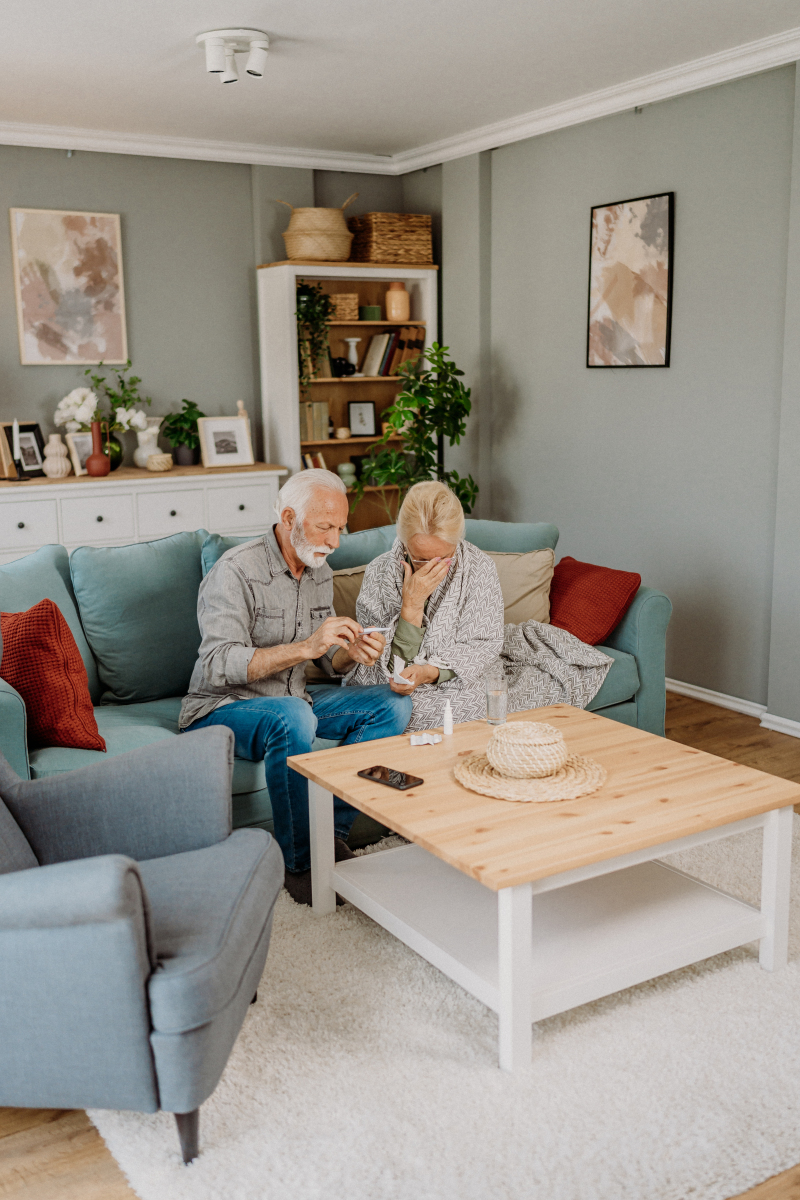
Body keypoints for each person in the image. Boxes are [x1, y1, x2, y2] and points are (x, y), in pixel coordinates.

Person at [180, 469, 412, 905]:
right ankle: (302, 862)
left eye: (340, 528)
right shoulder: (235, 571)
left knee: (392, 705)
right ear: (288, 517)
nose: (335, 541)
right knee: (293, 716)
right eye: (325, 527)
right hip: (223, 706)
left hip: (293, 698)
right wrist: (306, 645)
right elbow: (217, 663)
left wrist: (352, 651)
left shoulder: (318, 570)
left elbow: (325, 659)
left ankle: (333, 839)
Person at [350, 481, 504, 730]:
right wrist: (411, 605)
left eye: (443, 559)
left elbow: (484, 644)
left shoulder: (480, 568)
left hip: (456, 679)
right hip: (395, 685)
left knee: (480, 707)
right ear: (404, 542)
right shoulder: (379, 572)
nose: (432, 569)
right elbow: (383, 665)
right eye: (420, 559)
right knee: (398, 710)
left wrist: (430, 672)